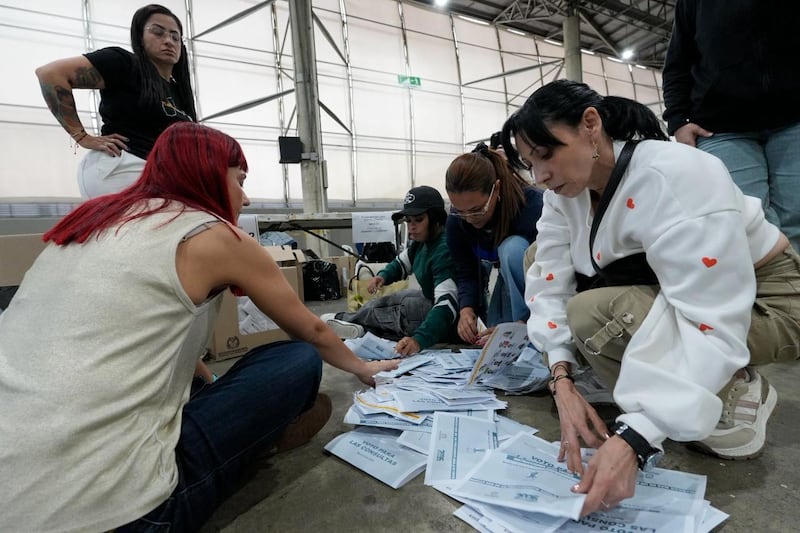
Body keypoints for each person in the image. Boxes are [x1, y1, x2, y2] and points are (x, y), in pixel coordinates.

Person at [0, 122, 398, 532]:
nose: (244, 196)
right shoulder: (214, 235)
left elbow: (138, 332)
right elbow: (312, 331)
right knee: (294, 359)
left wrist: (205, 380)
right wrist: (363, 368)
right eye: (240, 180)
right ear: (207, 175)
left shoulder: (88, 223)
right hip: (121, 511)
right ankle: (259, 437)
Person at [501, 79, 800, 517]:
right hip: (686, 296)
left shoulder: (677, 174)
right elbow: (548, 278)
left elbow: (712, 318)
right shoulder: (565, 196)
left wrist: (637, 438)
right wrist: (561, 377)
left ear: (590, 125)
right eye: (529, 163)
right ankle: (680, 387)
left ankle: (734, 386)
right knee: (534, 258)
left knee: (591, 314)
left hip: (768, 302)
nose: (539, 175)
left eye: (546, 155)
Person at [661, 0, 800, 252]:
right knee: (746, 225)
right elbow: (677, 63)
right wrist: (678, 121)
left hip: (793, 122)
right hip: (720, 129)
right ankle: (769, 289)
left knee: (797, 216)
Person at [36, 4, 197, 198]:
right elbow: (51, 74)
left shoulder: (179, 93)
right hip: (122, 165)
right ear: (139, 37)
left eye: (175, 36)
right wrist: (82, 136)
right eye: (158, 33)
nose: (168, 41)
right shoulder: (125, 63)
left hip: (156, 174)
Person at [324, 186, 459, 356]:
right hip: (433, 302)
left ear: (436, 219)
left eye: (418, 220)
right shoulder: (422, 242)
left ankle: (340, 321)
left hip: (447, 317)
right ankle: (361, 329)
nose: (411, 227)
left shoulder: (444, 250)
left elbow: (446, 305)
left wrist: (419, 340)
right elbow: (403, 262)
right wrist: (383, 276)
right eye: (409, 221)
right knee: (395, 302)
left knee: (389, 307)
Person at [445, 143, 544, 344]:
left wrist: (524, 323)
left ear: (496, 189)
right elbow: (466, 271)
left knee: (511, 248)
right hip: (506, 277)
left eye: (476, 209)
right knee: (494, 336)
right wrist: (466, 309)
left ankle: (532, 330)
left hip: (539, 281)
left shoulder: (532, 206)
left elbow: (554, 272)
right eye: (460, 211)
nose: (469, 218)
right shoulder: (457, 220)